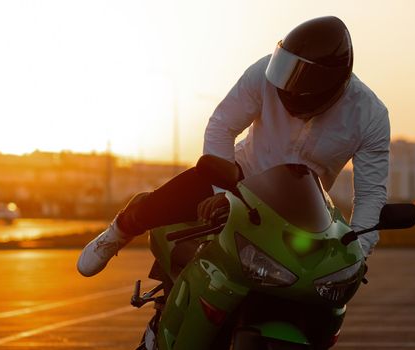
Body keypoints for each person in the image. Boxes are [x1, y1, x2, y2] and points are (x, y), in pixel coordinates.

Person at [77, 16, 389, 277]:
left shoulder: (370, 115)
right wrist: (225, 194)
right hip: (238, 177)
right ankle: (119, 231)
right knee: (155, 206)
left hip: (300, 209)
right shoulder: (266, 72)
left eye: (299, 87)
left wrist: (357, 254)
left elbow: (371, 193)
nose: (286, 91)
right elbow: (221, 126)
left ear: (330, 87)